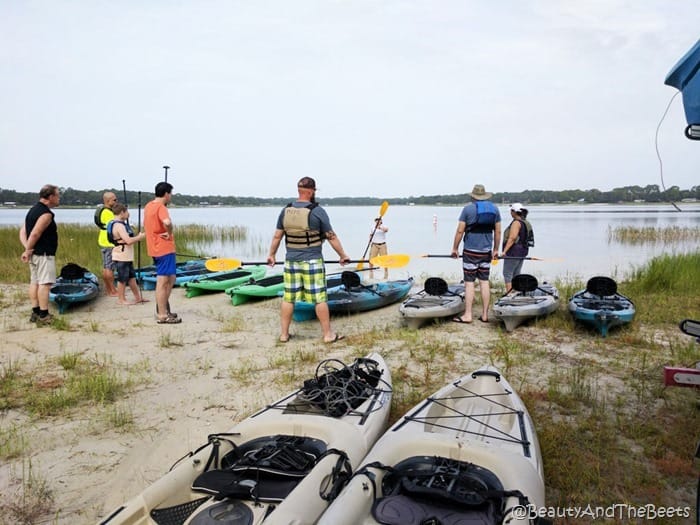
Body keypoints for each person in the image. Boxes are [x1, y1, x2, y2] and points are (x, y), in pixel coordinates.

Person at [267, 176, 351, 343]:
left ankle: (284, 335)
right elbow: (331, 237)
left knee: (288, 298)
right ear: (312, 191)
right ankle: (328, 335)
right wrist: (343, 255)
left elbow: (277, 236)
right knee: (320, 298)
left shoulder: (286, 210)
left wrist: (272, 255)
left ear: (299, 191)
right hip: (312, 261)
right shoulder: (317, 211)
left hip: (291, 261)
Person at [450, 184, 501, 323]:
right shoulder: (495, 209)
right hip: (486, 251)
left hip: (470, 251)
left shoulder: (467, 209)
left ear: (473, 196)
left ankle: (468, 315)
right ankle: (485, 315)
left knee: (469, 283)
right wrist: (496, 250)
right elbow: (498, 232)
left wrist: (455, 248)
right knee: (484, 282)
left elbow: (460, 231)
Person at [19, 184, 61, 325]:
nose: (59, 198)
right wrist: (28, 249)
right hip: (43, 254)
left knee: (35, 282)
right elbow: (35, 233)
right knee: (44, 283)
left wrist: (28, 249)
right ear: (50, 197)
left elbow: (23, 232)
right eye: (57, 195)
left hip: (35, 254)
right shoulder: (46, 214)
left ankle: (35, 312)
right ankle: (43, 315)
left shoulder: (32, 210)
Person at [144, 181, 181, 324]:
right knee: (163, 280)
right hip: (163, 248)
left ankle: (163, 307)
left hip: (155, 247)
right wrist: (169, 232)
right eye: (170, 193)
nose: (170, 196)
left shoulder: (148, 206)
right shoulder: (161, 207)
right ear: (166, 194)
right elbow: (167, 222)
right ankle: (162, 314)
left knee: (171, 278)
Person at [110, 203, 148, 305]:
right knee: (122, 278)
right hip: (121, 255)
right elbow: (128, 241)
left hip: (127, 256)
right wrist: (140, 237)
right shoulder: (118, 226)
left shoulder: (120, 224)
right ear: (122, 212)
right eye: (127, 211)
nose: (128, 214)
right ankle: (121, 300)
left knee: (131, 278)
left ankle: (138, 298)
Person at [500, 203, 532, 294]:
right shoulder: (524, 221)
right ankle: (517, 292)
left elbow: (512, 238)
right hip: (522, 252)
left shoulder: (516, 223)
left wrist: (504, 251)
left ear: (515, 212)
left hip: (513, 253)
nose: (510, 213)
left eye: (511, 211)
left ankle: (509, 294)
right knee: (516, 273)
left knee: (507, 274)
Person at [97, 191, 119, 296]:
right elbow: (114, 227)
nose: (116, 201)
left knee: (106, 267)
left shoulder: (103, 211)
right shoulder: (108, 213)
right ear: (108, 200)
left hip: (103, 241)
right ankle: (112, 290)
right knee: (109, 268)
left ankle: (109, 289)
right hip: (109, 243)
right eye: (114, 200)